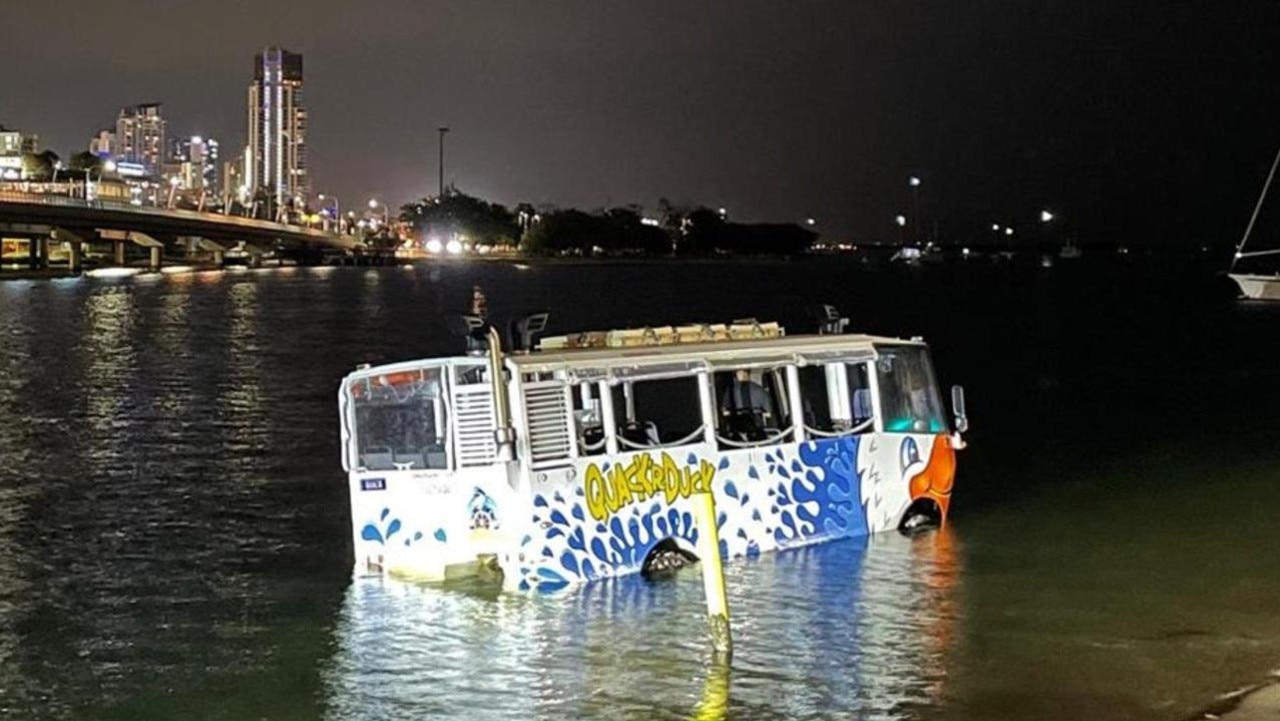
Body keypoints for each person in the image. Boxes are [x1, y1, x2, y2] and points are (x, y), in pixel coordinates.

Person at [720, 369, 771, 438]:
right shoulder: (759, 389)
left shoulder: (730, 391)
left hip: (738, 431)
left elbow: (725, 412)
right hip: (757, 429)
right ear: (748, 374)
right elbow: (768, 413)